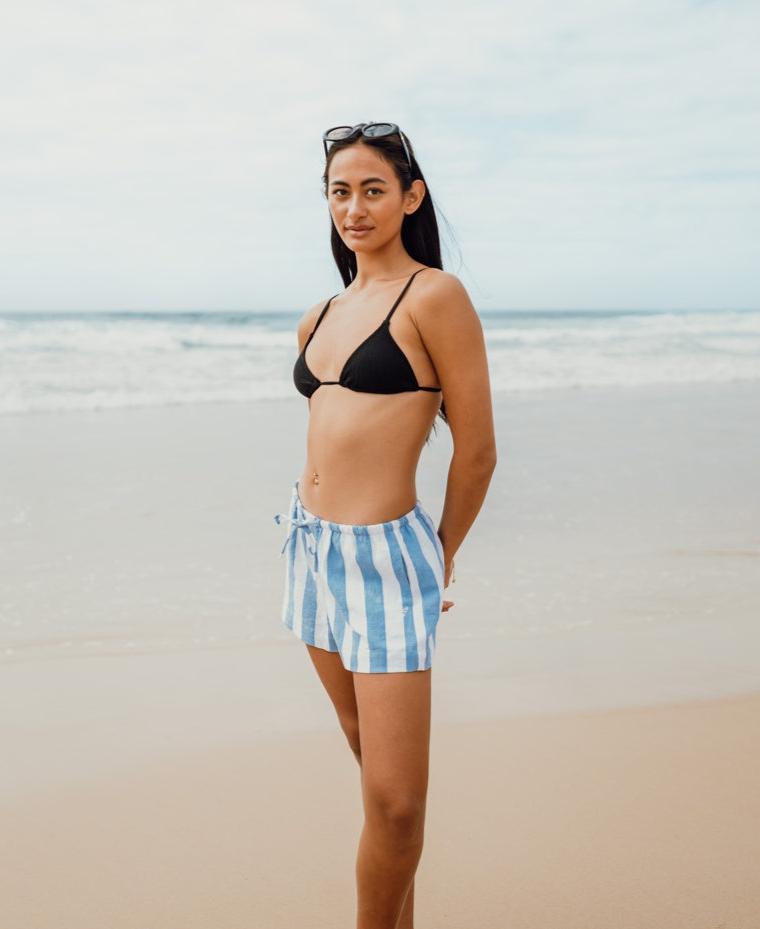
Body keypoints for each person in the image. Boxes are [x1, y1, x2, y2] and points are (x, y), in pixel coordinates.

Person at [273, 121, 497, 929]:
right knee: (374, 778)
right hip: (310, 550)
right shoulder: (320, 314)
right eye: (340, 191)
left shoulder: (435, 296)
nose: (354, 208)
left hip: (388, 561)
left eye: (373, 189)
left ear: (411, 196)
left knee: (398, 806)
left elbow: (477, 451)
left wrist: (439, 554)